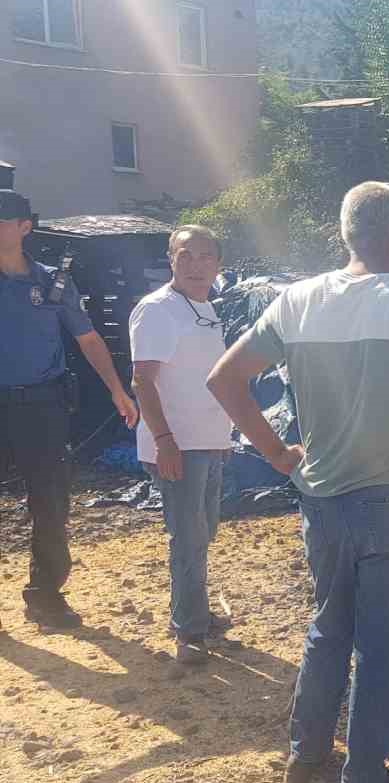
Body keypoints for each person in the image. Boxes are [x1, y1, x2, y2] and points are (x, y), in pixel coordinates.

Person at [207, 181, 389, 783]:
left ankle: (305, 756)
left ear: (347, 235)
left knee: (330, 625)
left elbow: (224, 380)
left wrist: (278, 454)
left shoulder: (295, 301)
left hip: (321, 499)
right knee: (382, 644)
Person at [0, 188, 138, 631]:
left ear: (25, 227)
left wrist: (117, 390)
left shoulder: (50, 283)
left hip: (42, 403)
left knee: (51, 501)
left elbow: (89, 339)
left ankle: (45, 596)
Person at [129, 225, 235, 665]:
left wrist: (222, 437)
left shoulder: (204, 307)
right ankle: (189, 631)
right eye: (185, 256)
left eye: (205, 257)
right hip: (178, 445)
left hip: (207, 442)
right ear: (170, 259)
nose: (196, 265)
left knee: (203, 532)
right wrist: (165, 441)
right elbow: (142, 380)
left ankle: (196, 613)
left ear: (218, 264)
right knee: (188, 536)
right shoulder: (157, 310)